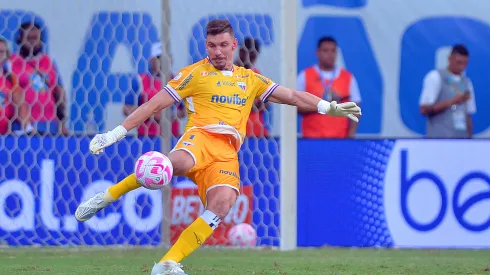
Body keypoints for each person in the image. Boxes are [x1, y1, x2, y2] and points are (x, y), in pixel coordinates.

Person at [75, 19, 361, 275]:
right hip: (199, 140)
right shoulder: (193, 74)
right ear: (206, 46)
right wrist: (115, 133)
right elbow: (152, 105)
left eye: (224, 45)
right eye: (212, 45)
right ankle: (107, 196)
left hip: (227, 154)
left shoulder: (250, 79)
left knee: (222, 205)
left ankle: (167, 264)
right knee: (166, 167)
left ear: (233, 45)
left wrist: (327, 106)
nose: (218, 51)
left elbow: (293, 96)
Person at [297, 36, 362, 138]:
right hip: (311, 139)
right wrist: (321, 104)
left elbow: (356, 109)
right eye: (325, 51)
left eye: (333, 51)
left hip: (340, 139)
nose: (330, 55)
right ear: (317, 53)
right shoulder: (305, 76)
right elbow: (296, 107)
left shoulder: (347, 77)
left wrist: (350, 137)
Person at [10, 21, 68, 135]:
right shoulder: (12, 62)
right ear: (20, 39)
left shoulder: (48, 62)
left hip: (50, 124)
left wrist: (62, 122)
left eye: (35, 38)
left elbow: (58, 92)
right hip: (21, 125)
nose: (32, 41)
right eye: (29, 38)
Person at [124, 42, 186, 137]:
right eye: (159, 57)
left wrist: (171, 114)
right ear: (152, 60)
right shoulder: (141, 80)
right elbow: (126, 109)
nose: (164, 60)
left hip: (172, 137)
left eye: (167, 57)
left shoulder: (178, 81)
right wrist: (150, 113)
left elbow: (183, 111)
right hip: (147, 137)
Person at [419, 44, 476, 138]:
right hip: (440, 141)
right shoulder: (435, 77)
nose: (462, 67)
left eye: (465, 64)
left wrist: (470, 139)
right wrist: (453, 101)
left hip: (462, 141)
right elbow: (424, 110)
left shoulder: (467, 82)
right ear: (450, 59)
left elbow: (468, 115)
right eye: (459, 62)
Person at [234, 37, 269, 137]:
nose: (252, 60)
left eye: (254, 57)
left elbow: (267, 103)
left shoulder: (257, 75)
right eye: (250, 55)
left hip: (257, 133)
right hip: (235, 134)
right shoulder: (227, 73)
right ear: (241, 52)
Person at [0, 37, 28, 134]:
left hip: (4, 134)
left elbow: (20, 104)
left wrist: (26, 127)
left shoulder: (10, 78)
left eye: (2, 52)